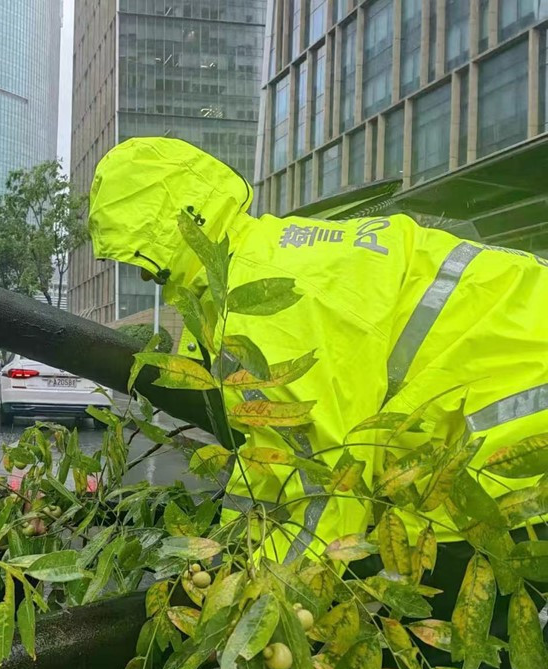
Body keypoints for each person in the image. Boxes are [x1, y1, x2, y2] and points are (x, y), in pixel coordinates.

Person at [88, 136, 548, 558]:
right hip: (508, 371)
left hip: (516, 420)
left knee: (449, 573)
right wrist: (233, 551)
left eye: (136, 258)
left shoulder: (259, 307)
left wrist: (261, 605)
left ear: (164, 241)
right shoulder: (260, 262)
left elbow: (322, 484)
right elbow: (275, 462)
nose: (142, 276)